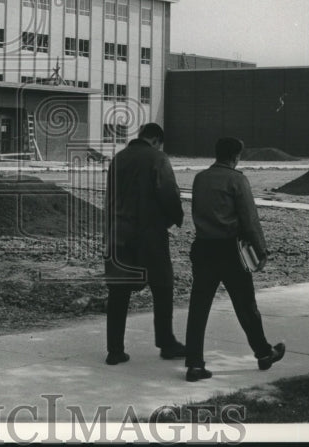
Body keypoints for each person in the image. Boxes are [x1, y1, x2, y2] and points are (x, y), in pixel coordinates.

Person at [183, 136, 285, 381]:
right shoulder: (237, 180)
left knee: (198, 307)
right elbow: (250, 219)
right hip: (230, 250)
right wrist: (261, 251)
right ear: (235, 156)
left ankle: (194, 364)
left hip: (203, 247)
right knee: (245, 304)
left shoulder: (200, 178)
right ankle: (263, 353)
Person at [104, 122, 186, 365]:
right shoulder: (157, 158)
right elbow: (169, 193)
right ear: (157, 140)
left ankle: (115, 350)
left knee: (118, 292)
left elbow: (109, 197)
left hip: (118, 234)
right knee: (162, 287)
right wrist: (175, 218)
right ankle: (166, 342)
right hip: (149, 234)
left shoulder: (118, 158)